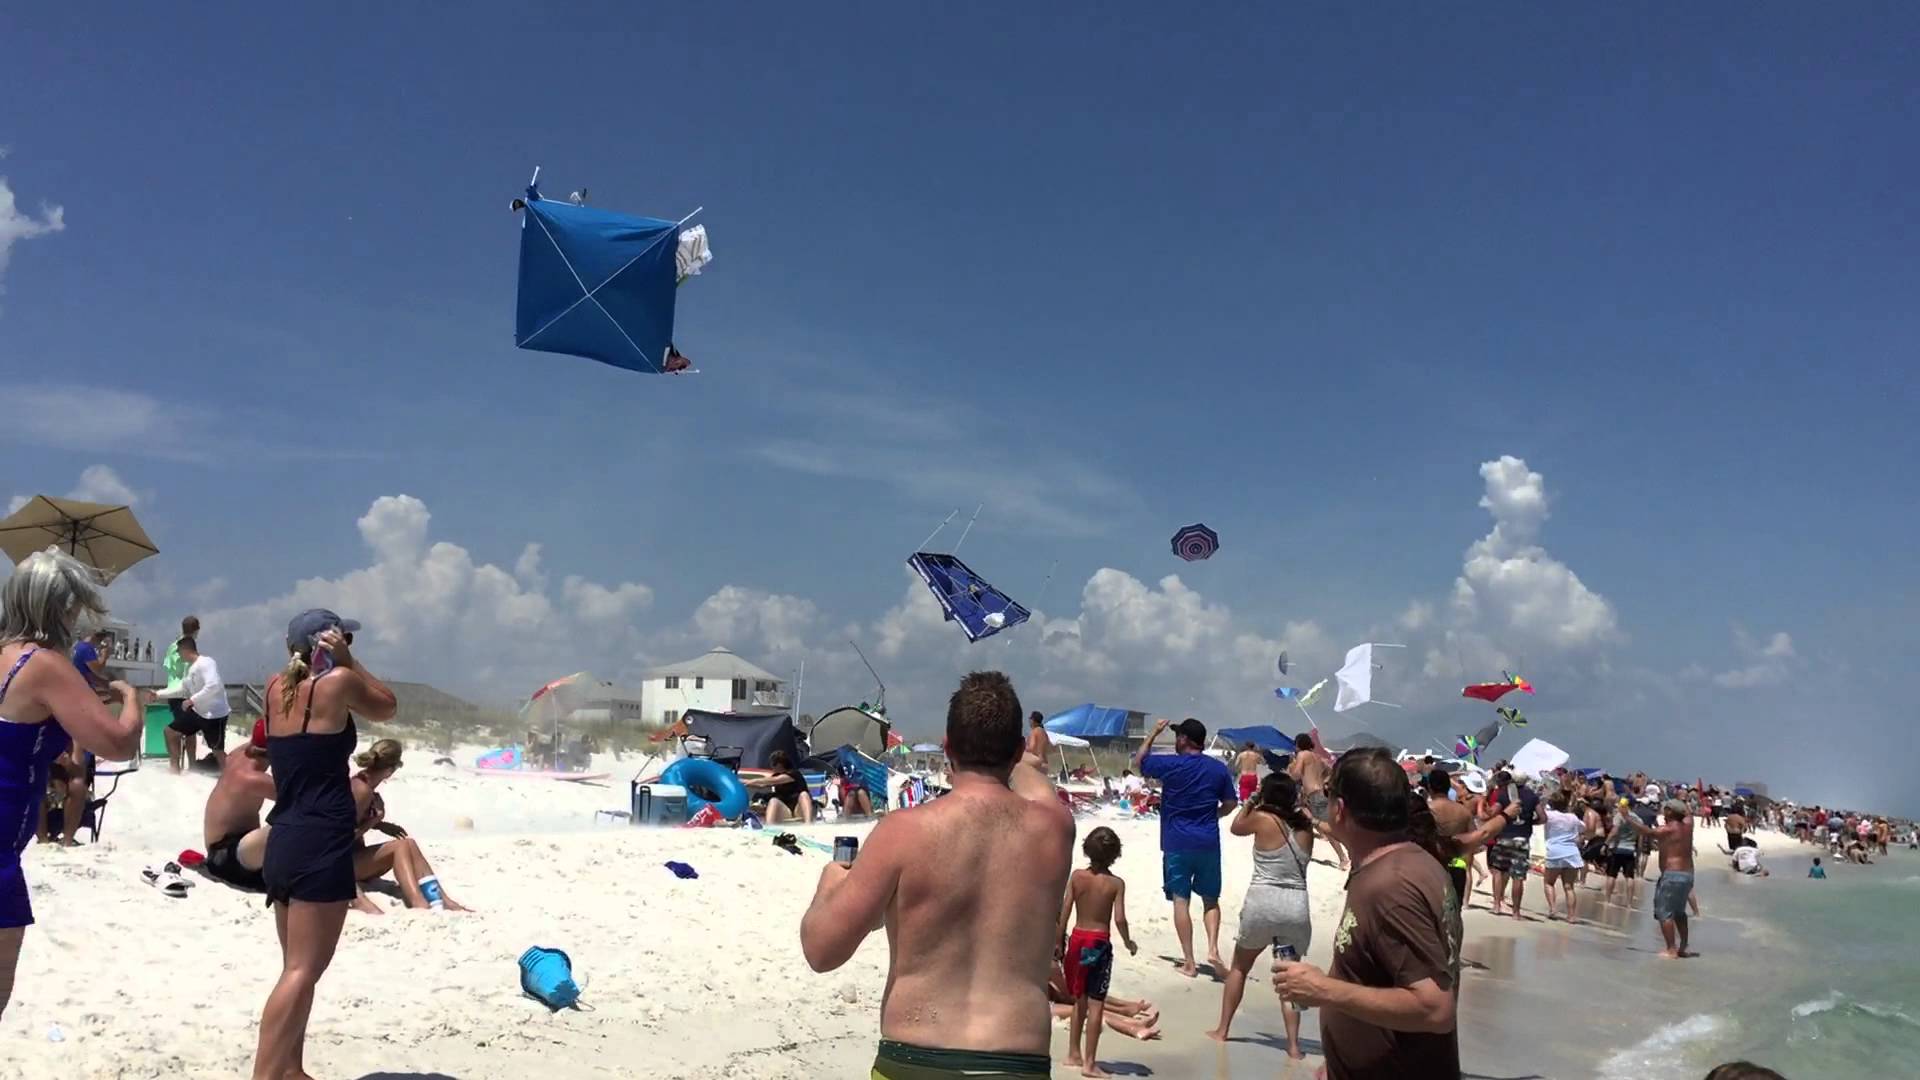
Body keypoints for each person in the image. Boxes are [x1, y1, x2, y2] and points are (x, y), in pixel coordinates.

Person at [801, 671, 1072, 1080]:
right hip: (1017, 1062)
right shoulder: (1054, 829)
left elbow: (821, 952)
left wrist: (829, 885)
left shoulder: (904, 832)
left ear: (947, 747)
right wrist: (1026, 758)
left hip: (915, 1059)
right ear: (1017, 750)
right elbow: (1035, 783)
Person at [0, 549, 146, 1018]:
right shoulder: (43, 663)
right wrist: (131, 698)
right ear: (59, 607)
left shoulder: (6, 657)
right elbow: (119, 743)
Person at [253, 610, 397, 1080]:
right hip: (322, 841)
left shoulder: (276, 688)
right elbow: (387, 706)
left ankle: (290, 1069)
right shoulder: (335, 683)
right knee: (300, 972)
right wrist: (349, 658)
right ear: (326, 642)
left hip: (285, 836)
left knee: (296, 970)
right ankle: (266, 1075)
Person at [1266, 749, 1468, 1078]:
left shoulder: (1391, 886)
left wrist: (1322, 989)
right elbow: (1380, 973)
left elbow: (1434, 1008)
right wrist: (1339, 1058)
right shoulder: (1406, 862)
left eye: (1330, 796)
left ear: (1340, 809)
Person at [1208, 771, 1315, 1057]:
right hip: (1295, 905)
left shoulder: (1262, 819)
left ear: (1267, 794)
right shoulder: (1305, 825)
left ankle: (1223, 1030)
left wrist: (1252, 799)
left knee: (1240, 968)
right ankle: (1293, 1046)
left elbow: (1236, 827)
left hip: (1263, 902)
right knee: (1289, 977)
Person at [1133, 716, 1237, 978]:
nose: (1176, 739)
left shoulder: (1172, 765)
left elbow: (1138, 764)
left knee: (1181, 901)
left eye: (1178, 735)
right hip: (1207, 842)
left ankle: (1189, 962)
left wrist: (1154, 734)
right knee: (1211, 899)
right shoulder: (1218, 768)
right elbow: (1230, 803)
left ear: (1184, 740)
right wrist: (1215, 815)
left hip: (1177, 842)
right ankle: (1213, 949)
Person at [349, 740, 469, 913]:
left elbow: (350, 820)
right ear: (390, 771)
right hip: (343, 865)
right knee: (400, 846)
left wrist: (381, 825)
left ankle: (440, 898)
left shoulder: (363, 784)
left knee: (408, 843)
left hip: (356, 860)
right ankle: (418, 901)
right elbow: (337, 840)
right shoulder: (362, 790)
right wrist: (373, 821)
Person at [1056, 826, 1137, 1078]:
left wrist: (1059, 941)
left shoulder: (1077, 877)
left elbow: (1064, 911)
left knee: (1078, 998)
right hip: (1097, 945)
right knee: (1096, 1003)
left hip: (1077, 941)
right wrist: (1128, 942)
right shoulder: (1115, 884)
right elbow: (1120, 919)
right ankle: (1090, 1064)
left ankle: (1073, 1054)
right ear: (1116, 854)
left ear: (1087, 849)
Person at [202, 719, 276, 892]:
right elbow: (305, 801)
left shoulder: (237, 755)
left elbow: (257, 743)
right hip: (228, 858)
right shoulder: (251, 778)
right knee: (297, 817)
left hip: (220, 852)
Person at [1619, 797, 1697, 959]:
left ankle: (1671, 949)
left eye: (1665, 809)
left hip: (1671, 875)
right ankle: (1683, 946)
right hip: (1688, 875)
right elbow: (1688, 812)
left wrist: (1627, 817)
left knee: (1665, 912)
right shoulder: (1688, 826)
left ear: (1669, 811)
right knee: (1679, 912)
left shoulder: (1667, 829)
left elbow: (1646, 832)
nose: (1662, 811)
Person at [1288, 732, 1347, 870]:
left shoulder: (1302, 755)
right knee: (1305, 820)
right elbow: (1329, 771)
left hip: (1314, 796)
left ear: (1298, 744)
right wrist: (1324, 782)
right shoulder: (1317, 758)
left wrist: (1288, 772)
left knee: (1326, 828)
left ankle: (1344, 857)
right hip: (1317, 794)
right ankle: (1299, 850)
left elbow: (1296, 775)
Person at [1485, 770, 1539, 917]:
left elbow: (1493, 813)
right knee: (1518, 876)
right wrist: (1530, 821)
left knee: (1497, 871)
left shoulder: (1504, 795)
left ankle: (1496, 905)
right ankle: (1516, 912)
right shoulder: (1532, 796)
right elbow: (1543, 817)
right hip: (1522, 839)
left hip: (1504, 837)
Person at [177, 636, 232, 769]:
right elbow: (180, 690)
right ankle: (176, 769)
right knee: (171, 731)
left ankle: (228, 777)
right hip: (198, 713)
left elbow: (213, 685)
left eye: (179, 651)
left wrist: (192, 700)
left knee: (217, 750)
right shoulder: (190, 669)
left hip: (215, 714)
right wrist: (157, 694)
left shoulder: (206, 662)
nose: (178, 655)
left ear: (185, 650)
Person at [161, 615, 201, 774]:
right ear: (197, 630)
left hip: (172, 692)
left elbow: (168, 668)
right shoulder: (189, 647)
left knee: (182, 727)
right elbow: (189, 671)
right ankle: (186, 765)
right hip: (184, 693)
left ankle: (177, 765)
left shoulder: (172, 646)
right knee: (187, 730)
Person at [1540, 790, 1586, 923]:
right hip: (1571, 852)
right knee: (1569, 886)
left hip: (1554, 851)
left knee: (1549, 882)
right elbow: (1584, 828)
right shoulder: (1572, 817)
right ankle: (1571, 916)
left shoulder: (1548, 815)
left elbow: (1539, 818)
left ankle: (1553, 909)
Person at [744, 749, 815, 824]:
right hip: (786, 810)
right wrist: (742, 782)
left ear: (780, 764)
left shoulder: (793, 774)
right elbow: (762, 785)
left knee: (804, 795)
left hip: (800, 809)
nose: (771, 767)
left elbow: (773, 780)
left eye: (773, 764)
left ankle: (808, 823)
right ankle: (769, 827)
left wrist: (750, 781)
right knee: (773, 801)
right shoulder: (776, 776)